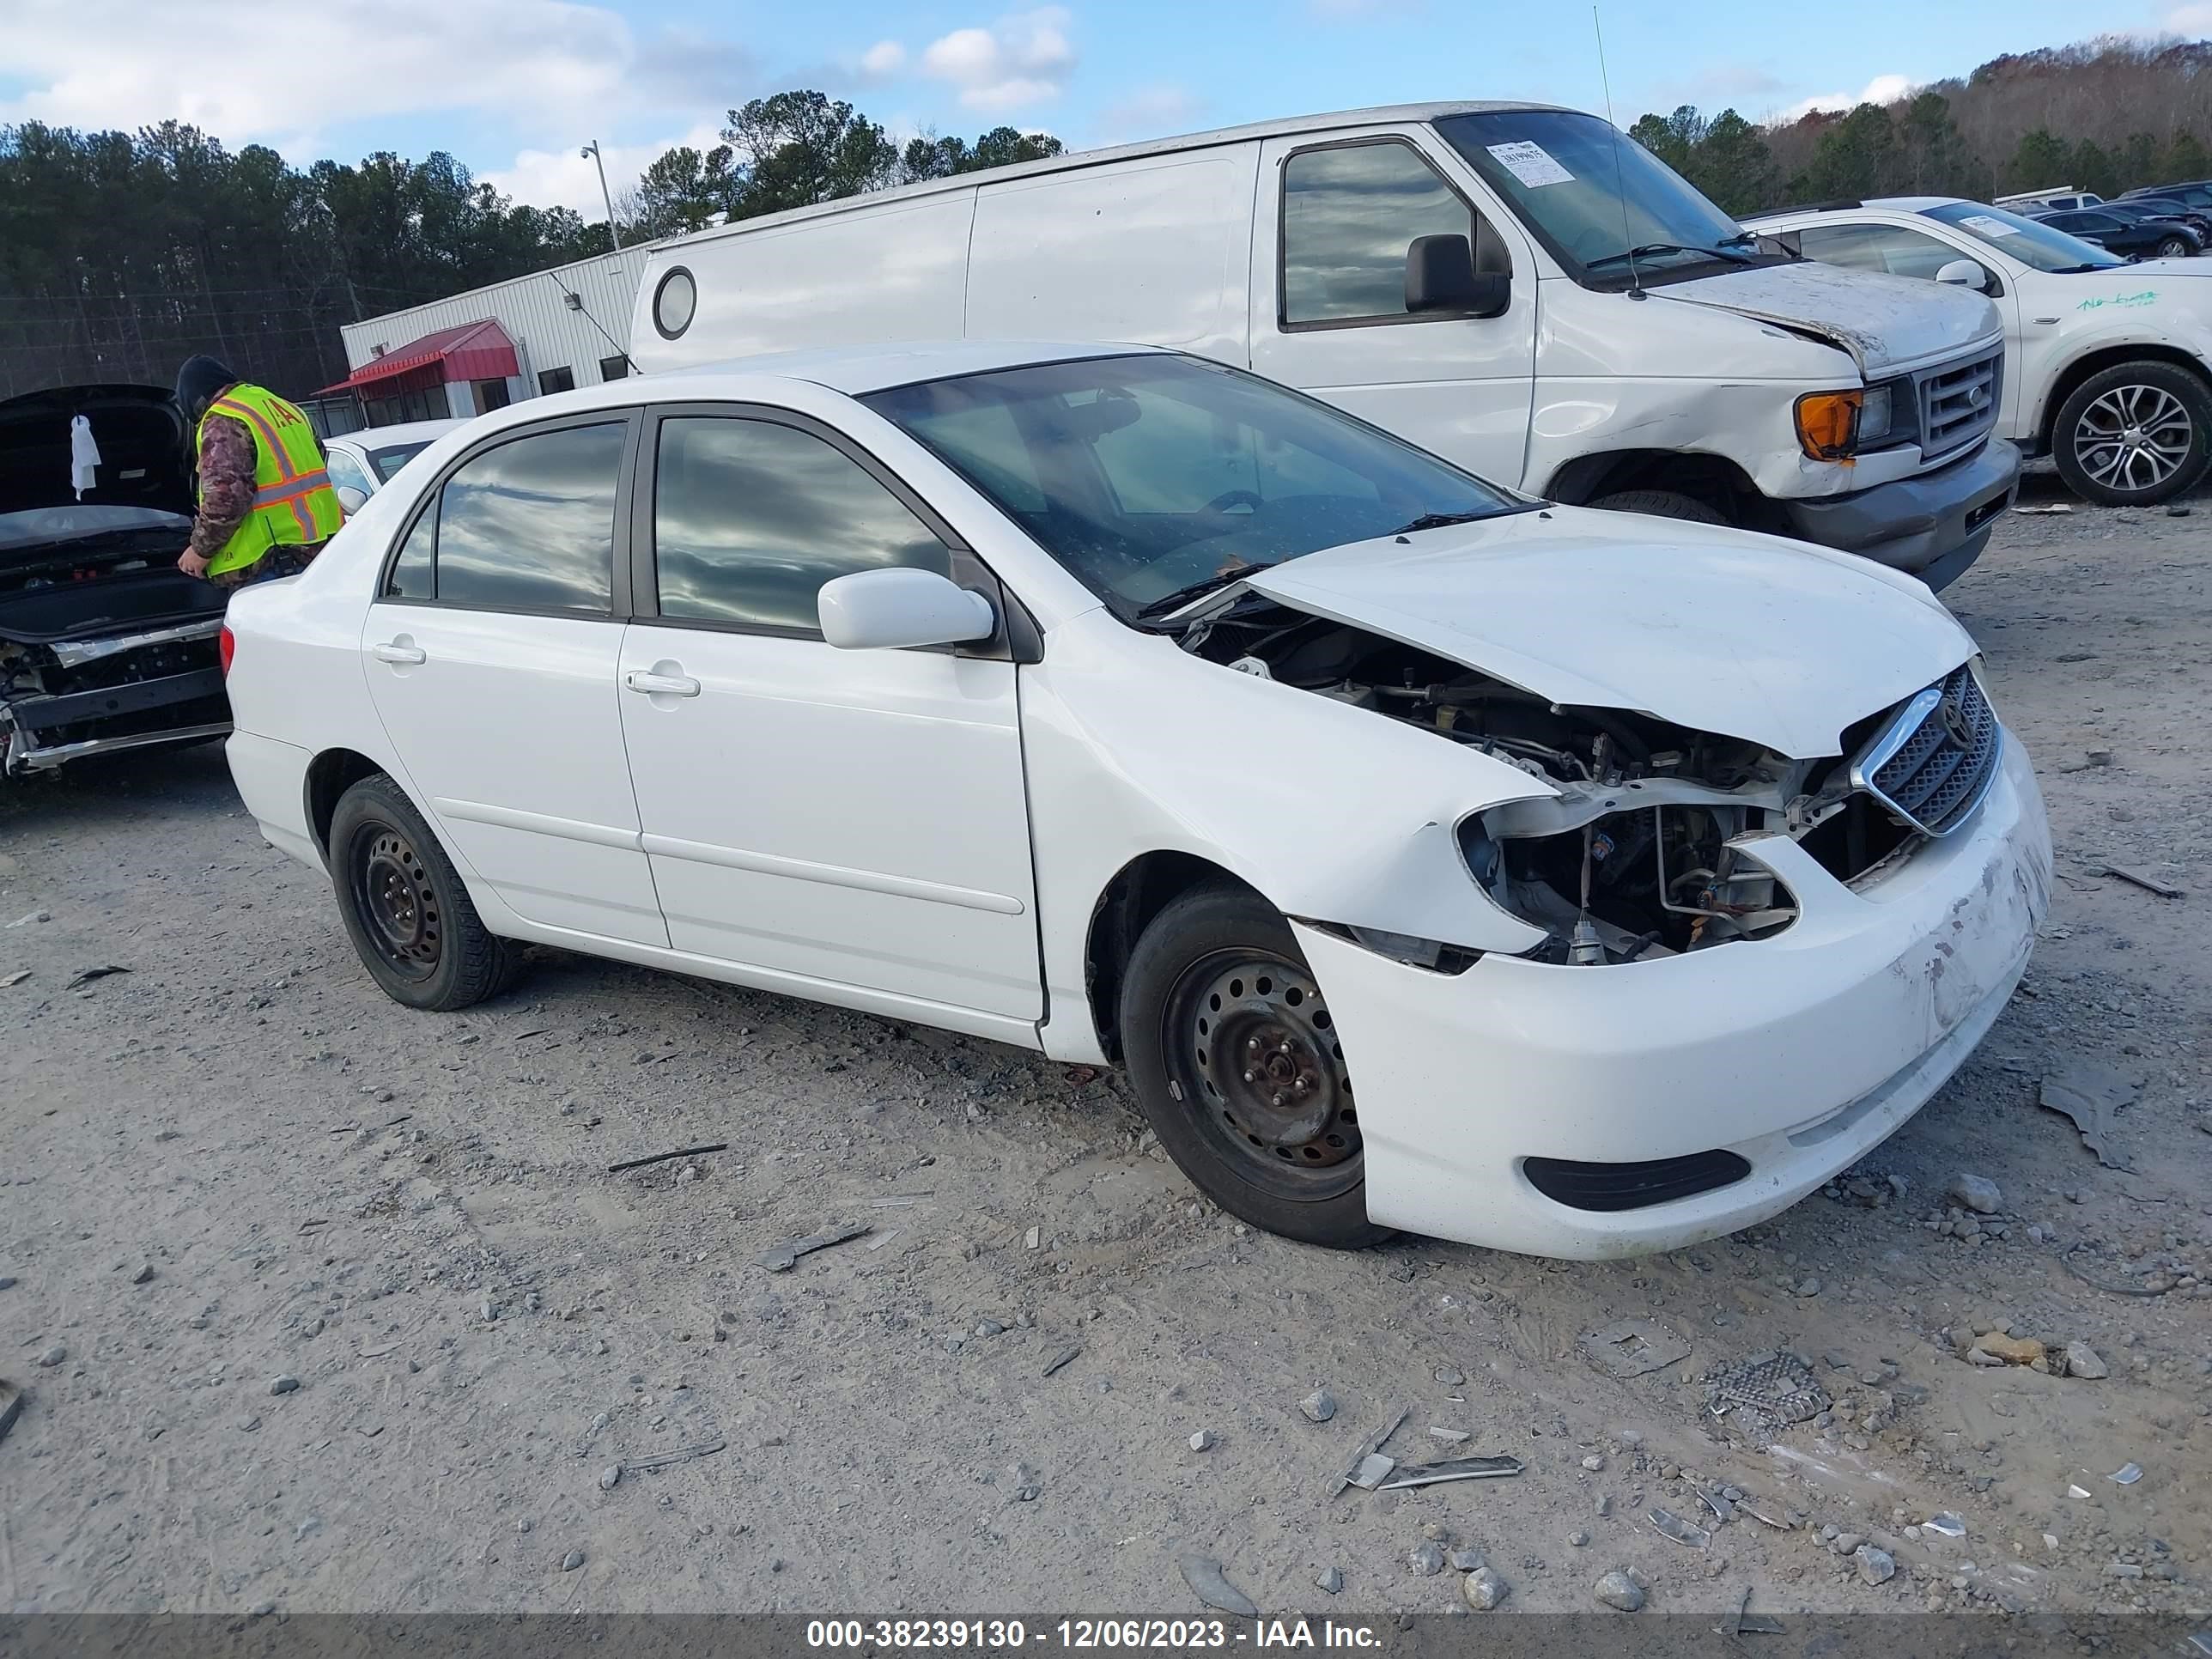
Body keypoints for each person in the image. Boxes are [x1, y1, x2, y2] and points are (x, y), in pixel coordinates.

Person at [173, 356, 343, 588]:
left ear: (195, 399)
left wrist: (200, 550)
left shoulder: (224, 419)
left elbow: (226, 497)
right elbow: (318, 458)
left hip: (270, 560)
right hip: (319, 551)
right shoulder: (282, 407)